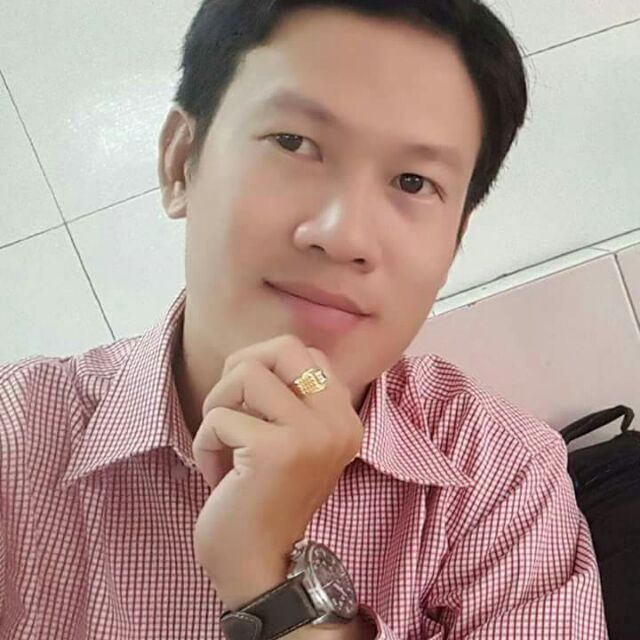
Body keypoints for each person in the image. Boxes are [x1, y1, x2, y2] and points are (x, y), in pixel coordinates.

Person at [0, 0, 609, 638]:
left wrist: (268, 578)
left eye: (412, 182)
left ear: (455, 239)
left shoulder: (502, 478)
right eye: (293, 143)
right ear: (181, 162)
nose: (344, 236)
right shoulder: (17, 439)